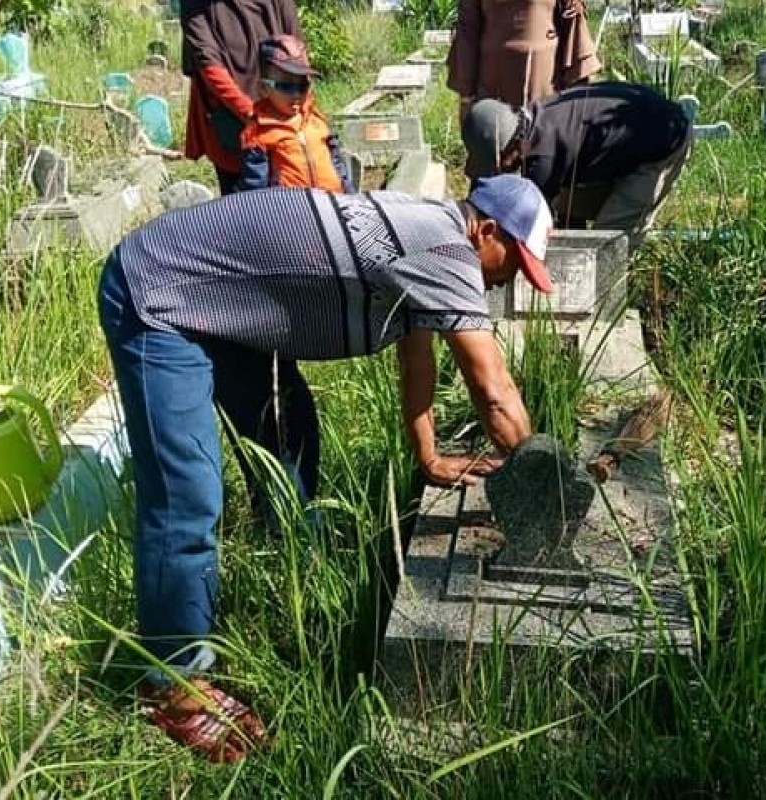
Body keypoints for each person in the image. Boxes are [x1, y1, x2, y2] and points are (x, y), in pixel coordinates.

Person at [97, 174, 554, 762]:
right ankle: (173, 687)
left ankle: (286, 578)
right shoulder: (445, 250)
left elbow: (419, 359)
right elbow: (494, 393)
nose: (507, 278)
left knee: (287, 427)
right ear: (485, 228)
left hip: (215, 292)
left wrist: (429, 456)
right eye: (511, 262)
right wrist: (551, 485)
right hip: (157, 290)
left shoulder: (434, 239)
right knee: (187, 494)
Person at [462, 81, 692, 251]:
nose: (499, 171)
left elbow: (530, 226)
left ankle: (603, 301)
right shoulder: (528, 120)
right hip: (634, 130)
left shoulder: (544, 159)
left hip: (663, 141)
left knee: (607, 240)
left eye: (497, 165)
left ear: (509, 150)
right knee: (566, 202)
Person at [180, 0, 301, 195]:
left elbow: (297, 51)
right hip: (231, 124)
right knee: (241, 209)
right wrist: (253, 115)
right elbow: (208, 63)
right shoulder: (196, 5)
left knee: (289, 203)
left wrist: (298, 104)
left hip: (282, 116)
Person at [236, 35, 354, 193]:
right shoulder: (258, 133)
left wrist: (350, 196)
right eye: (286, 86)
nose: (296, 94)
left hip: (331, 203)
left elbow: (338, 166)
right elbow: (255, 187)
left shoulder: (317, 120)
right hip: (291, 211)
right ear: (264, 88)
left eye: (302, 86)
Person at [447, 0, 601, 121]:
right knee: (495, 151)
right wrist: (466, 96)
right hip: (493, 85)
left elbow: (573, 24)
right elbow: (468, 29)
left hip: (544, 83)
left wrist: (577, 93)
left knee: (544, 147)